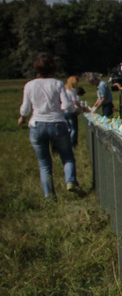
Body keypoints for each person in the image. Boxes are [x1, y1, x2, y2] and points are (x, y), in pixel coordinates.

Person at [18, 53, 87, 200]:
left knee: (44, 164)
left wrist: (22, 117)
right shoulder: (57, 83)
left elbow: (25, 108)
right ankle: (70, 181)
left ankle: (49, 195)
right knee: (67, 157)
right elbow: (67, 105)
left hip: (37, 125)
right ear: (53, 67)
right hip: (57, 123)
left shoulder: (29, 85)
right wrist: (77, 110)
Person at [63, 75, 89, 146]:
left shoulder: (64, 89)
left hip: (63, 110)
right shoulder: (73, 90)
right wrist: (81, 108)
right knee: (73, 128)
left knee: (67, 128)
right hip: (71, 110)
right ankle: (73, 143)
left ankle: (66, 142)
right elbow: (75, 101)